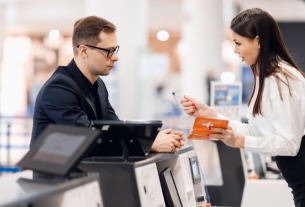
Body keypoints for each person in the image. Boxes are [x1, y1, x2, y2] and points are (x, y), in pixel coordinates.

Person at [181, 8, 305, 206]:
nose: (235, 50)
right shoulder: (266, 77)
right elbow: (256, 130)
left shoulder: (280, 79)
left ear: (258, 41)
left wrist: (240, 141)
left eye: (238, 43)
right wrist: (210, 113)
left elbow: (289, 144)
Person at [31, 15, 184, 153]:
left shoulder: (99, 86)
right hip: (54, 181)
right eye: (108, 51)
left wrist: (152, 138)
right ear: (84, 51)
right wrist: (148, 144)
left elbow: (116, 128)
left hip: (85, 175)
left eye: (115, 49)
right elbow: (87, 139)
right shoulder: (58, 89)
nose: (115, 57)